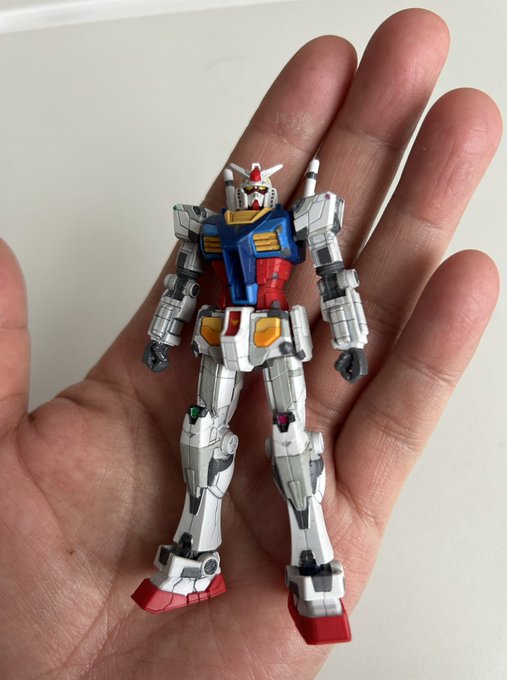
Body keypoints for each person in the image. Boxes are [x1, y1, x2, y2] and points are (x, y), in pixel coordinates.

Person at [0, 8, 501, 679]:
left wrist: (349, 337)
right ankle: (196, 557)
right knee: (200, 436)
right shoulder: (209, 229)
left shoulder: (296, 222)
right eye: (248, 184)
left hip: (275, 334)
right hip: (218, 336)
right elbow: (182, 281)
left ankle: (314, 562)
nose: (255, 188)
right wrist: (161, 335)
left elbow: (334, 274)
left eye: (262, 185)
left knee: (293, 443)